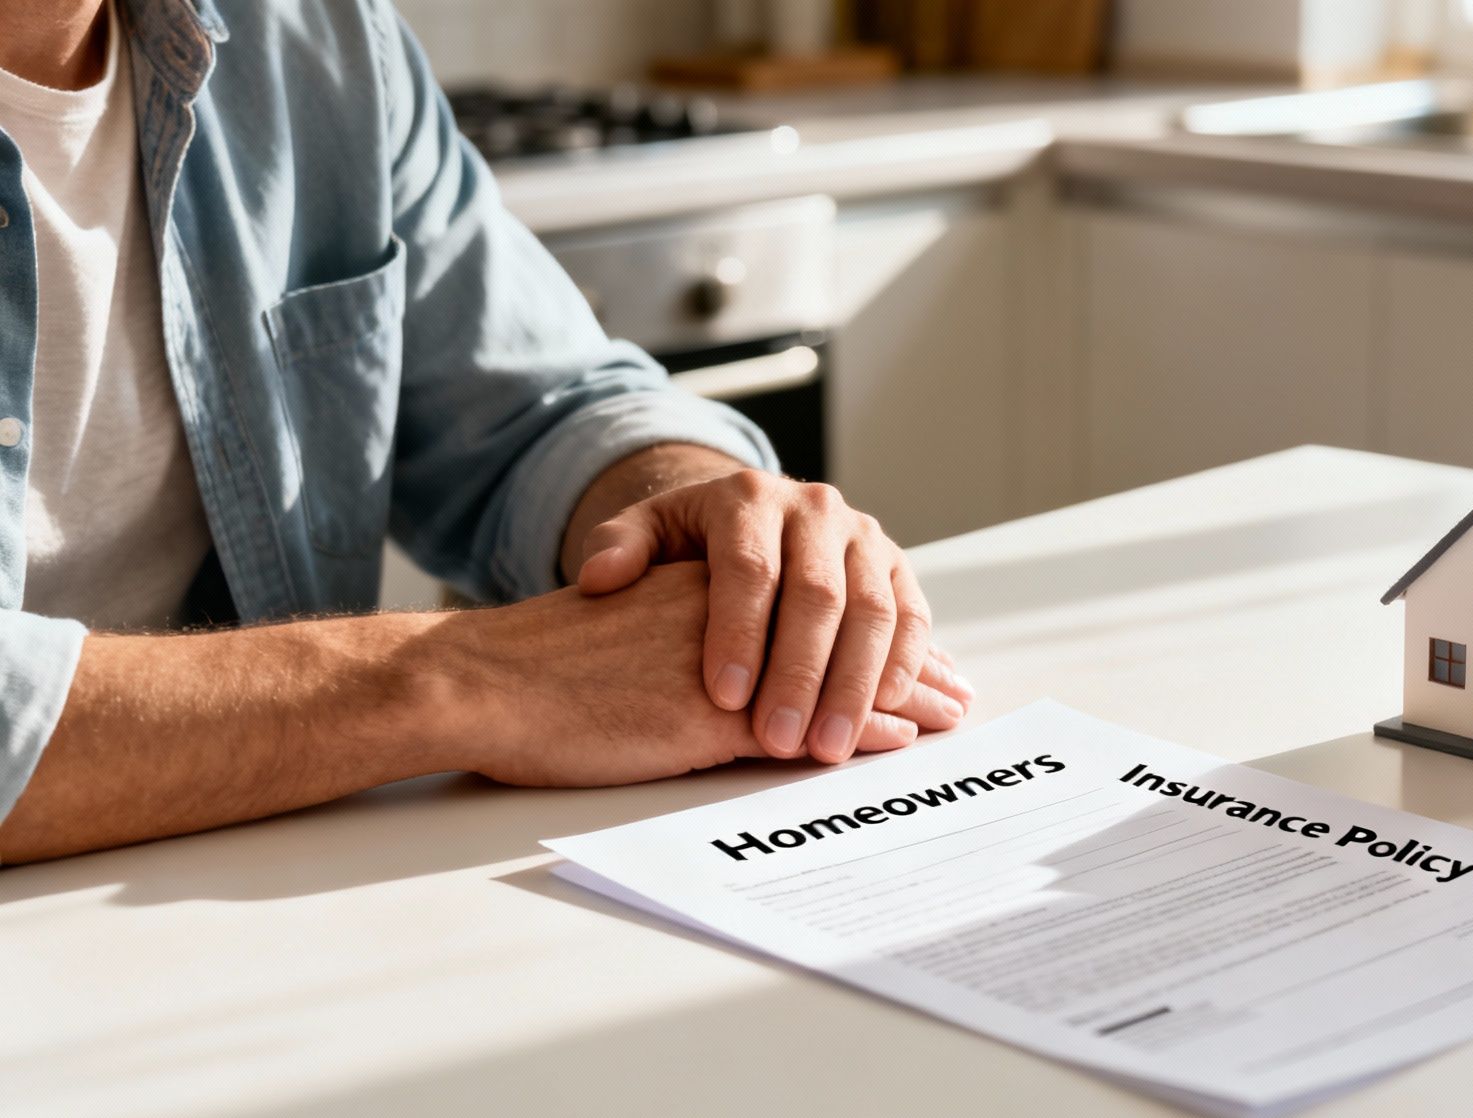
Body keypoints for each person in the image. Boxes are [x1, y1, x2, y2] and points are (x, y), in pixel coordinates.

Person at [0, 0, 973, 864]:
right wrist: (461, 682)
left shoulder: (319, 36)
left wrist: (696, 513)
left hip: (261, 890)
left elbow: (534, 405)